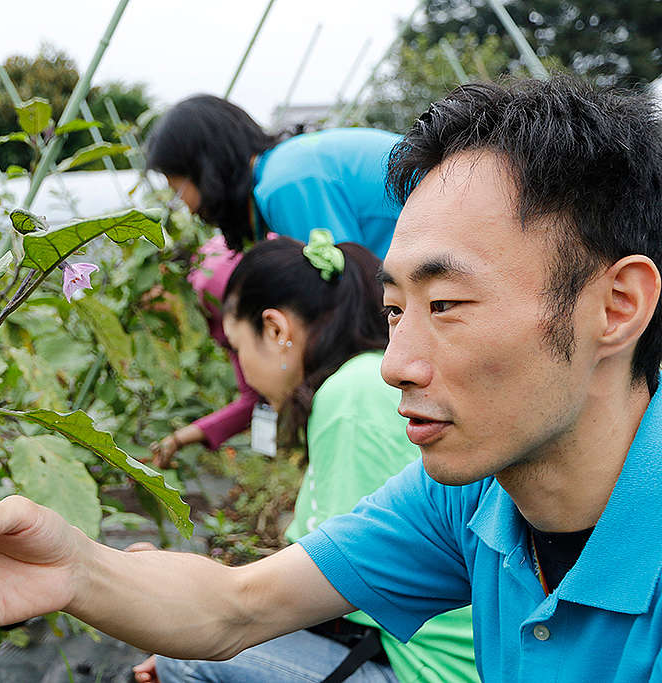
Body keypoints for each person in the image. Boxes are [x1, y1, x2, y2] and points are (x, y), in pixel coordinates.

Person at [0, 77, 662, 680]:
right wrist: (72, 567)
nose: (394, 364)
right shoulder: (471, 496)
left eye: (445, 303)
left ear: (615, 306)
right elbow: (237, 604)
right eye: (391, 311)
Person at [139, 232, 478, 681]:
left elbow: (333, 588)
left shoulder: (348, 398)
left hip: (424, 668)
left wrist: (179, 586)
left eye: (238, 350)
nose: (242, 373)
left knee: (181, 657)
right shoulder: (366, 381)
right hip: (418, 647)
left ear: (276, 330)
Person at [145, 95, 403, 463]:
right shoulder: (281, 172)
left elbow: (349, 297)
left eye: (177, 187)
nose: (184, 204)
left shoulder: (284, 184)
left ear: (204, 166)